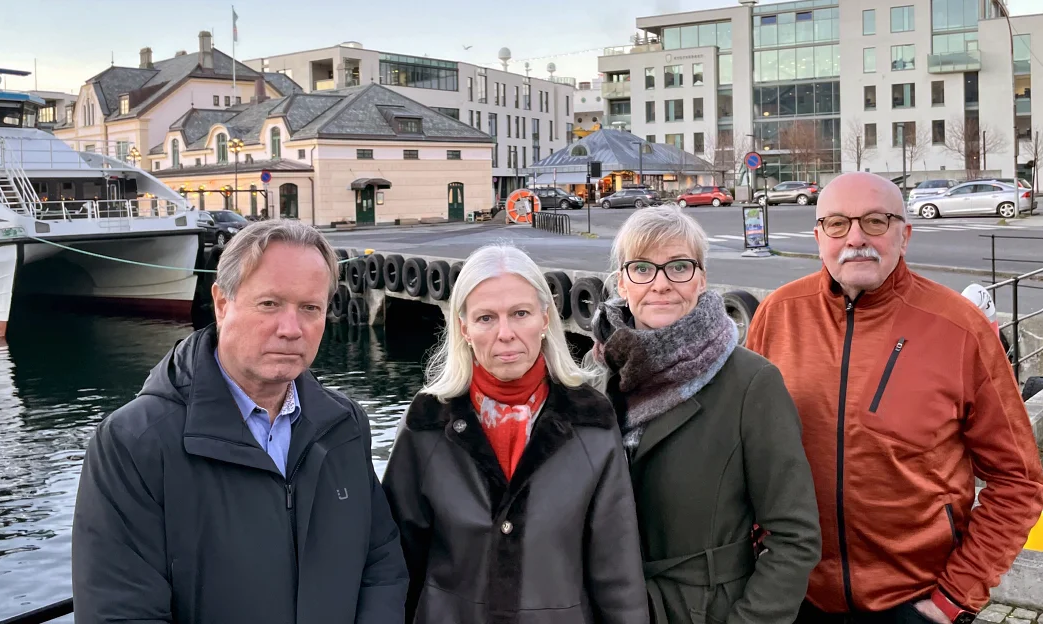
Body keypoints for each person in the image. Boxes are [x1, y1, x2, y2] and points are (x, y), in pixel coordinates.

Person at [71, 220, 408, 623]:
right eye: (270, 304)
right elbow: (120, 612)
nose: (291, 329)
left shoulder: (344, 424)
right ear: (221, 303)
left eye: (310, 308)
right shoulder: (133, 443)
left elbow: (381, 559)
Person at [746, 171, 1043, 624]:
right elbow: (744, 449)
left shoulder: (959, 328)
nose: (856, 238)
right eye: (838, 223)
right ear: (818, 236)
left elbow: (1018, 480)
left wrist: (952, 600)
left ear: (905, 235)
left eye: (876, 222)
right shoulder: (778, 314)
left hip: (915, 601)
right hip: (792, 595)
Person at [381, 244, 648, 623]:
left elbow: (617, 571)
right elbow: (397, 560)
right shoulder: (426, 422)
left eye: (519, 314)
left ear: (544, 318)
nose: (505, 334)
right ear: (464, 328)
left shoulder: (591, 420)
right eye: (486, 318)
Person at [587, 205, 822, 624]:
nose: (660, 284)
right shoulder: (595, 380)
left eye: (678, 266)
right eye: (643, 268)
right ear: (623, 282)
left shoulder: (751, 383)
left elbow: (794, 536)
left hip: (705, 610)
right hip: (606, 606)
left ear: (701, 279)